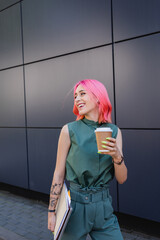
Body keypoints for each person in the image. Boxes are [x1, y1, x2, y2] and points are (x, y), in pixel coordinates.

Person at [48, 79, 127, 240]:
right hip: (75, 208)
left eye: (82, 94)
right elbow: (58, 174)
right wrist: (51, 211)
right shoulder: (69, 130)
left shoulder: (114, 131)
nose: (77, 99)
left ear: (98, 97)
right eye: (75, 96)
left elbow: (122, 178)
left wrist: (117, 157)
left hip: (104, 208)